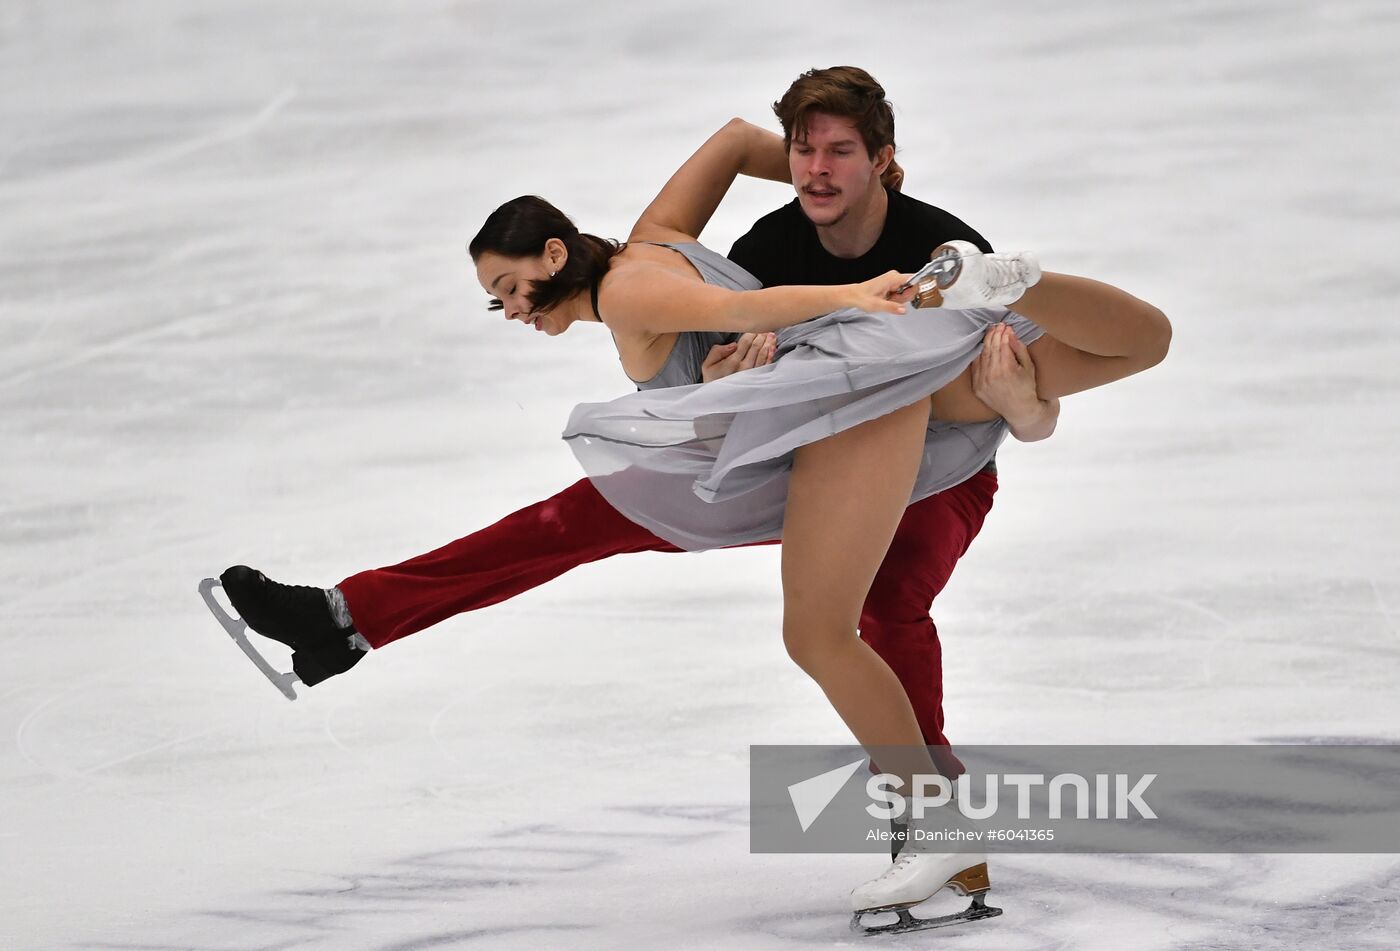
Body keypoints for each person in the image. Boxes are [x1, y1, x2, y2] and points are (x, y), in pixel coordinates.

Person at [222, 69, 1046, 790]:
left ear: (552, 256)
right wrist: (817, 194)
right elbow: (734, 166)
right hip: (791, 456)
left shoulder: (937, 245)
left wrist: (866, 244)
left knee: (885, 603)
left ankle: (930, 801)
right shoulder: (754, 242)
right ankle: (345, 618)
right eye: (805, 153)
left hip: (936, 465)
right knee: (557, 525)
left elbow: (1006, 387)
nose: (508, 310)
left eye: (511, 287)